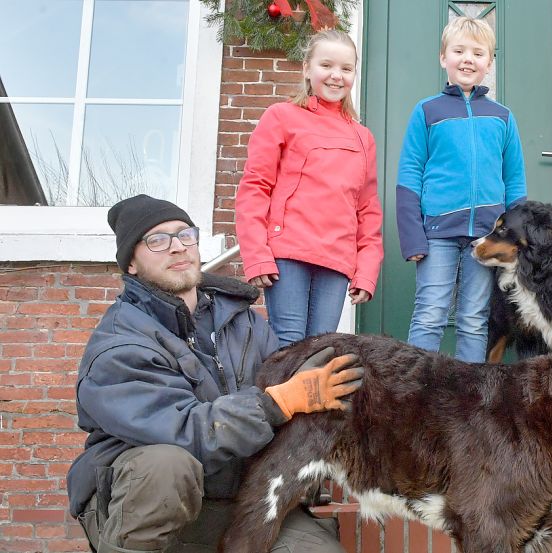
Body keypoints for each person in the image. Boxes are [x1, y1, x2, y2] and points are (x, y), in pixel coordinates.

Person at [67, 195, 364, 553]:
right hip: (151, 507)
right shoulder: (120, 344)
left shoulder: (244, 322)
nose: (177, 247)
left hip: (242, 500)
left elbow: (290, 393)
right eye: (157, 240)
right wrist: (276, 404)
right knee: (166, 465)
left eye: (184, 234)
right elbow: (185, 432)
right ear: (131, 263)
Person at [236, 29, 383, 348]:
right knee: (289, 344)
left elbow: (367, 209)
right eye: (326, 65)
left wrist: (366, 269)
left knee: (320, 348)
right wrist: (256, 254)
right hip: (289, 253)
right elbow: (255, 188)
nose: (336, 75)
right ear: (307, 68)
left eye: (346, 68)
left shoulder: (362, 138)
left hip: (336, 258)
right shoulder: (281, 117)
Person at [396, 16, 527, 362]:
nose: (468, 59)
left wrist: (515, 237)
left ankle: (469, 393)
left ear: (489, 63)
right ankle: (414, 388)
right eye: (459, 51)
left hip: (485, 237)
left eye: (478, 53)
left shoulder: (502, 117)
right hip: (436, 234)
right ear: (444, 57)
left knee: (473, 320)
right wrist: (412, 235)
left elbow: (514, 180)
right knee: (430, 314)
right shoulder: (427, 111)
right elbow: (409, 173)